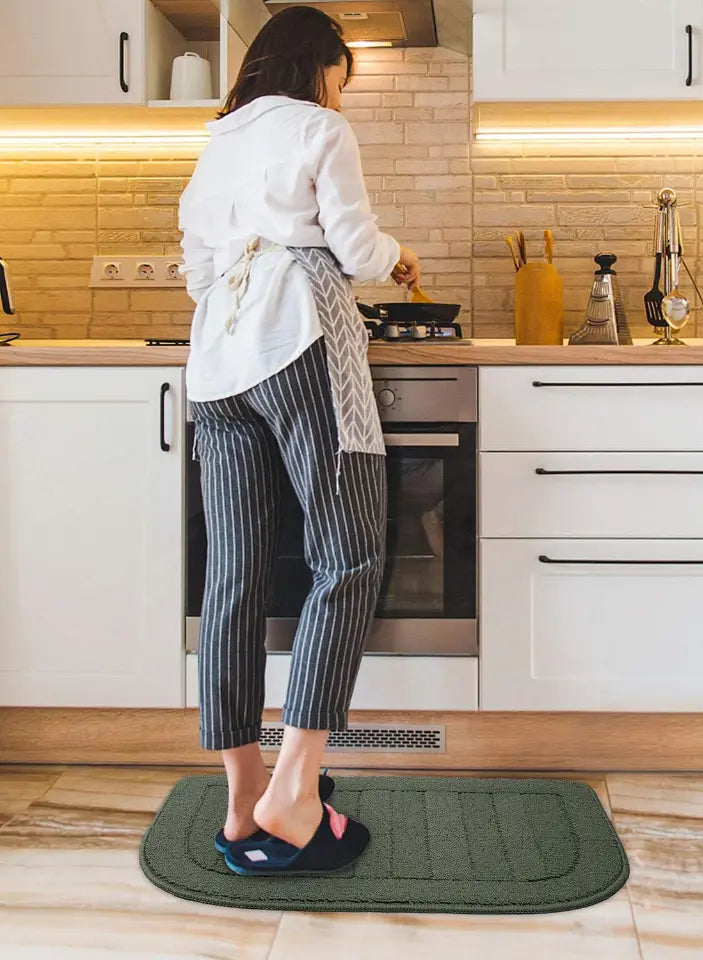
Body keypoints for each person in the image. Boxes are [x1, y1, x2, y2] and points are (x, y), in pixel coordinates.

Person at [178, 5, 420, 876]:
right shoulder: (320, 128)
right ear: (317, 66)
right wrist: (396, 255)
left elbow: (198, 272)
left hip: (217, 362)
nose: (338, 96)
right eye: (339, 80)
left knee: (233, 575)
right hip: (296, 340)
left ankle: (243, 795)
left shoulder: (218, 141)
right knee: (346, 558)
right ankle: (295, 790)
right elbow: (353, 248)